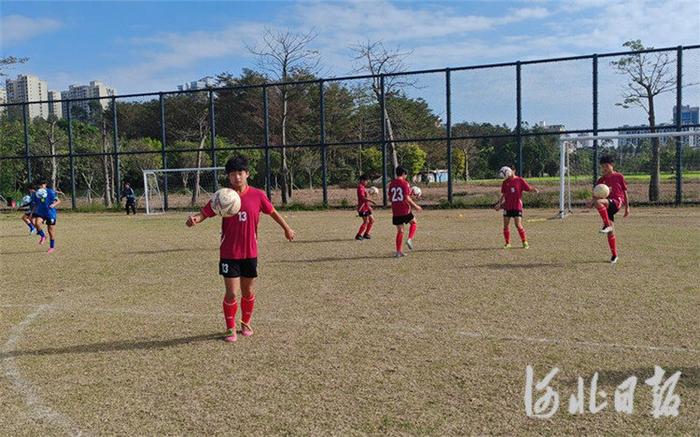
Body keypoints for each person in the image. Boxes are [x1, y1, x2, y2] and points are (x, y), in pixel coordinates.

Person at [186, 155, 296, 342]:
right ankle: (230, 328)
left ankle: (245, 323)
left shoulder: (258, 195)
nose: (236, 177)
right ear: (228, 177)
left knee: (248, 292)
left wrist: (287, 228)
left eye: (240, 173)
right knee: (231, 292)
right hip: (229, 253)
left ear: (247, 174)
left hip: (250, 252)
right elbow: (205, 212)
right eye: (232, 174)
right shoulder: (223, 197)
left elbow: (273, 212)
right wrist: (195, 219)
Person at [589, 155, 629, 264]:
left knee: (599, 203)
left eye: (606, 166)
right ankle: (614, 255)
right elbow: (595, 194)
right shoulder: (601, 180)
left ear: (612, 165)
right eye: (602, 166)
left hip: (616, 202)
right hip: (607, 206)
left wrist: (627, 208)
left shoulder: (619, 176)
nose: (604, 168)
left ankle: (607, 225)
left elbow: (625, 192)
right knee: (610, 232)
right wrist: (592, 201)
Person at [494, 166, 538, 249]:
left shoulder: (519, 180)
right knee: (505, 225)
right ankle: (507, 243)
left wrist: (534, 190)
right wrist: (499, 204)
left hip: (517, 206)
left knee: (518, 225)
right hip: (507, 206)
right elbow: (504, 194)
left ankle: (524, 242)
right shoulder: (505, 182)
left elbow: (528, 188)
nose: (507, 176)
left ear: (513, 171)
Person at [389, 166, 422, 257]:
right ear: (403, 174)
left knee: (400, 231)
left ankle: (398, 252)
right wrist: (416, 206)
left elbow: (390, 198)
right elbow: (406, 198)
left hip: (395, 210)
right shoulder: (405, 183)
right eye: (406, 175)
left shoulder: (391, 184)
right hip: (404, 209)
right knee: (414, 222)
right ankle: (409, 239)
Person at [32, 181, 61, 254]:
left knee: (50, 231)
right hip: (41, 212)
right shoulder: (37, 193)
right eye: (39, 185)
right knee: (36, 223)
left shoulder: (50, 192)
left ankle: (52, 247)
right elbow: (36, 204)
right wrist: (32, 213)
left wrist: (53, 205)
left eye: (42, 185)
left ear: (45, 185)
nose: (40, 186)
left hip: (50, 213)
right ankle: (43, 236)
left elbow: (58, 201)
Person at [355, 174, 376, 240]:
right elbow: (363, 198)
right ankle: (358, 235)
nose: (367, 182)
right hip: (362, 208)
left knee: (372, 220)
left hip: (366, 207)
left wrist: (369, 206)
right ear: (362, 180)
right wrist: (371, 201)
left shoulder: (363, 187)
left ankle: (366, 234)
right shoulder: (360, 187)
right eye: (366, 181)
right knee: (366, 222)